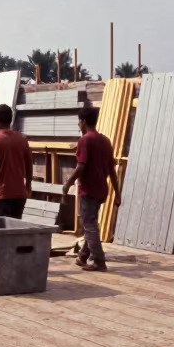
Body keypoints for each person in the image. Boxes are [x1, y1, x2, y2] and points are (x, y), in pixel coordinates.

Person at [63, 104, 120, 271]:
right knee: (92, 223)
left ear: (83, 121)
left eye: (78, 122)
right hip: (102, 189)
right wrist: (117, 193)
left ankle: (99, 261)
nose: (78, 125)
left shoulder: (85, 140)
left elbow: (81, 167)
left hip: (89, 189)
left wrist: (68, 183)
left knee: (88, 224)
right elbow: (112, 170)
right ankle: (83, 256)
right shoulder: (106, 141)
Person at [0, 103, 33, 218]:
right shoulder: (22, 139)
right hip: (19, 196)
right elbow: (29, 166)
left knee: (0, 231)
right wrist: (27, 187)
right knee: (14, 231)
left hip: (0, 196)